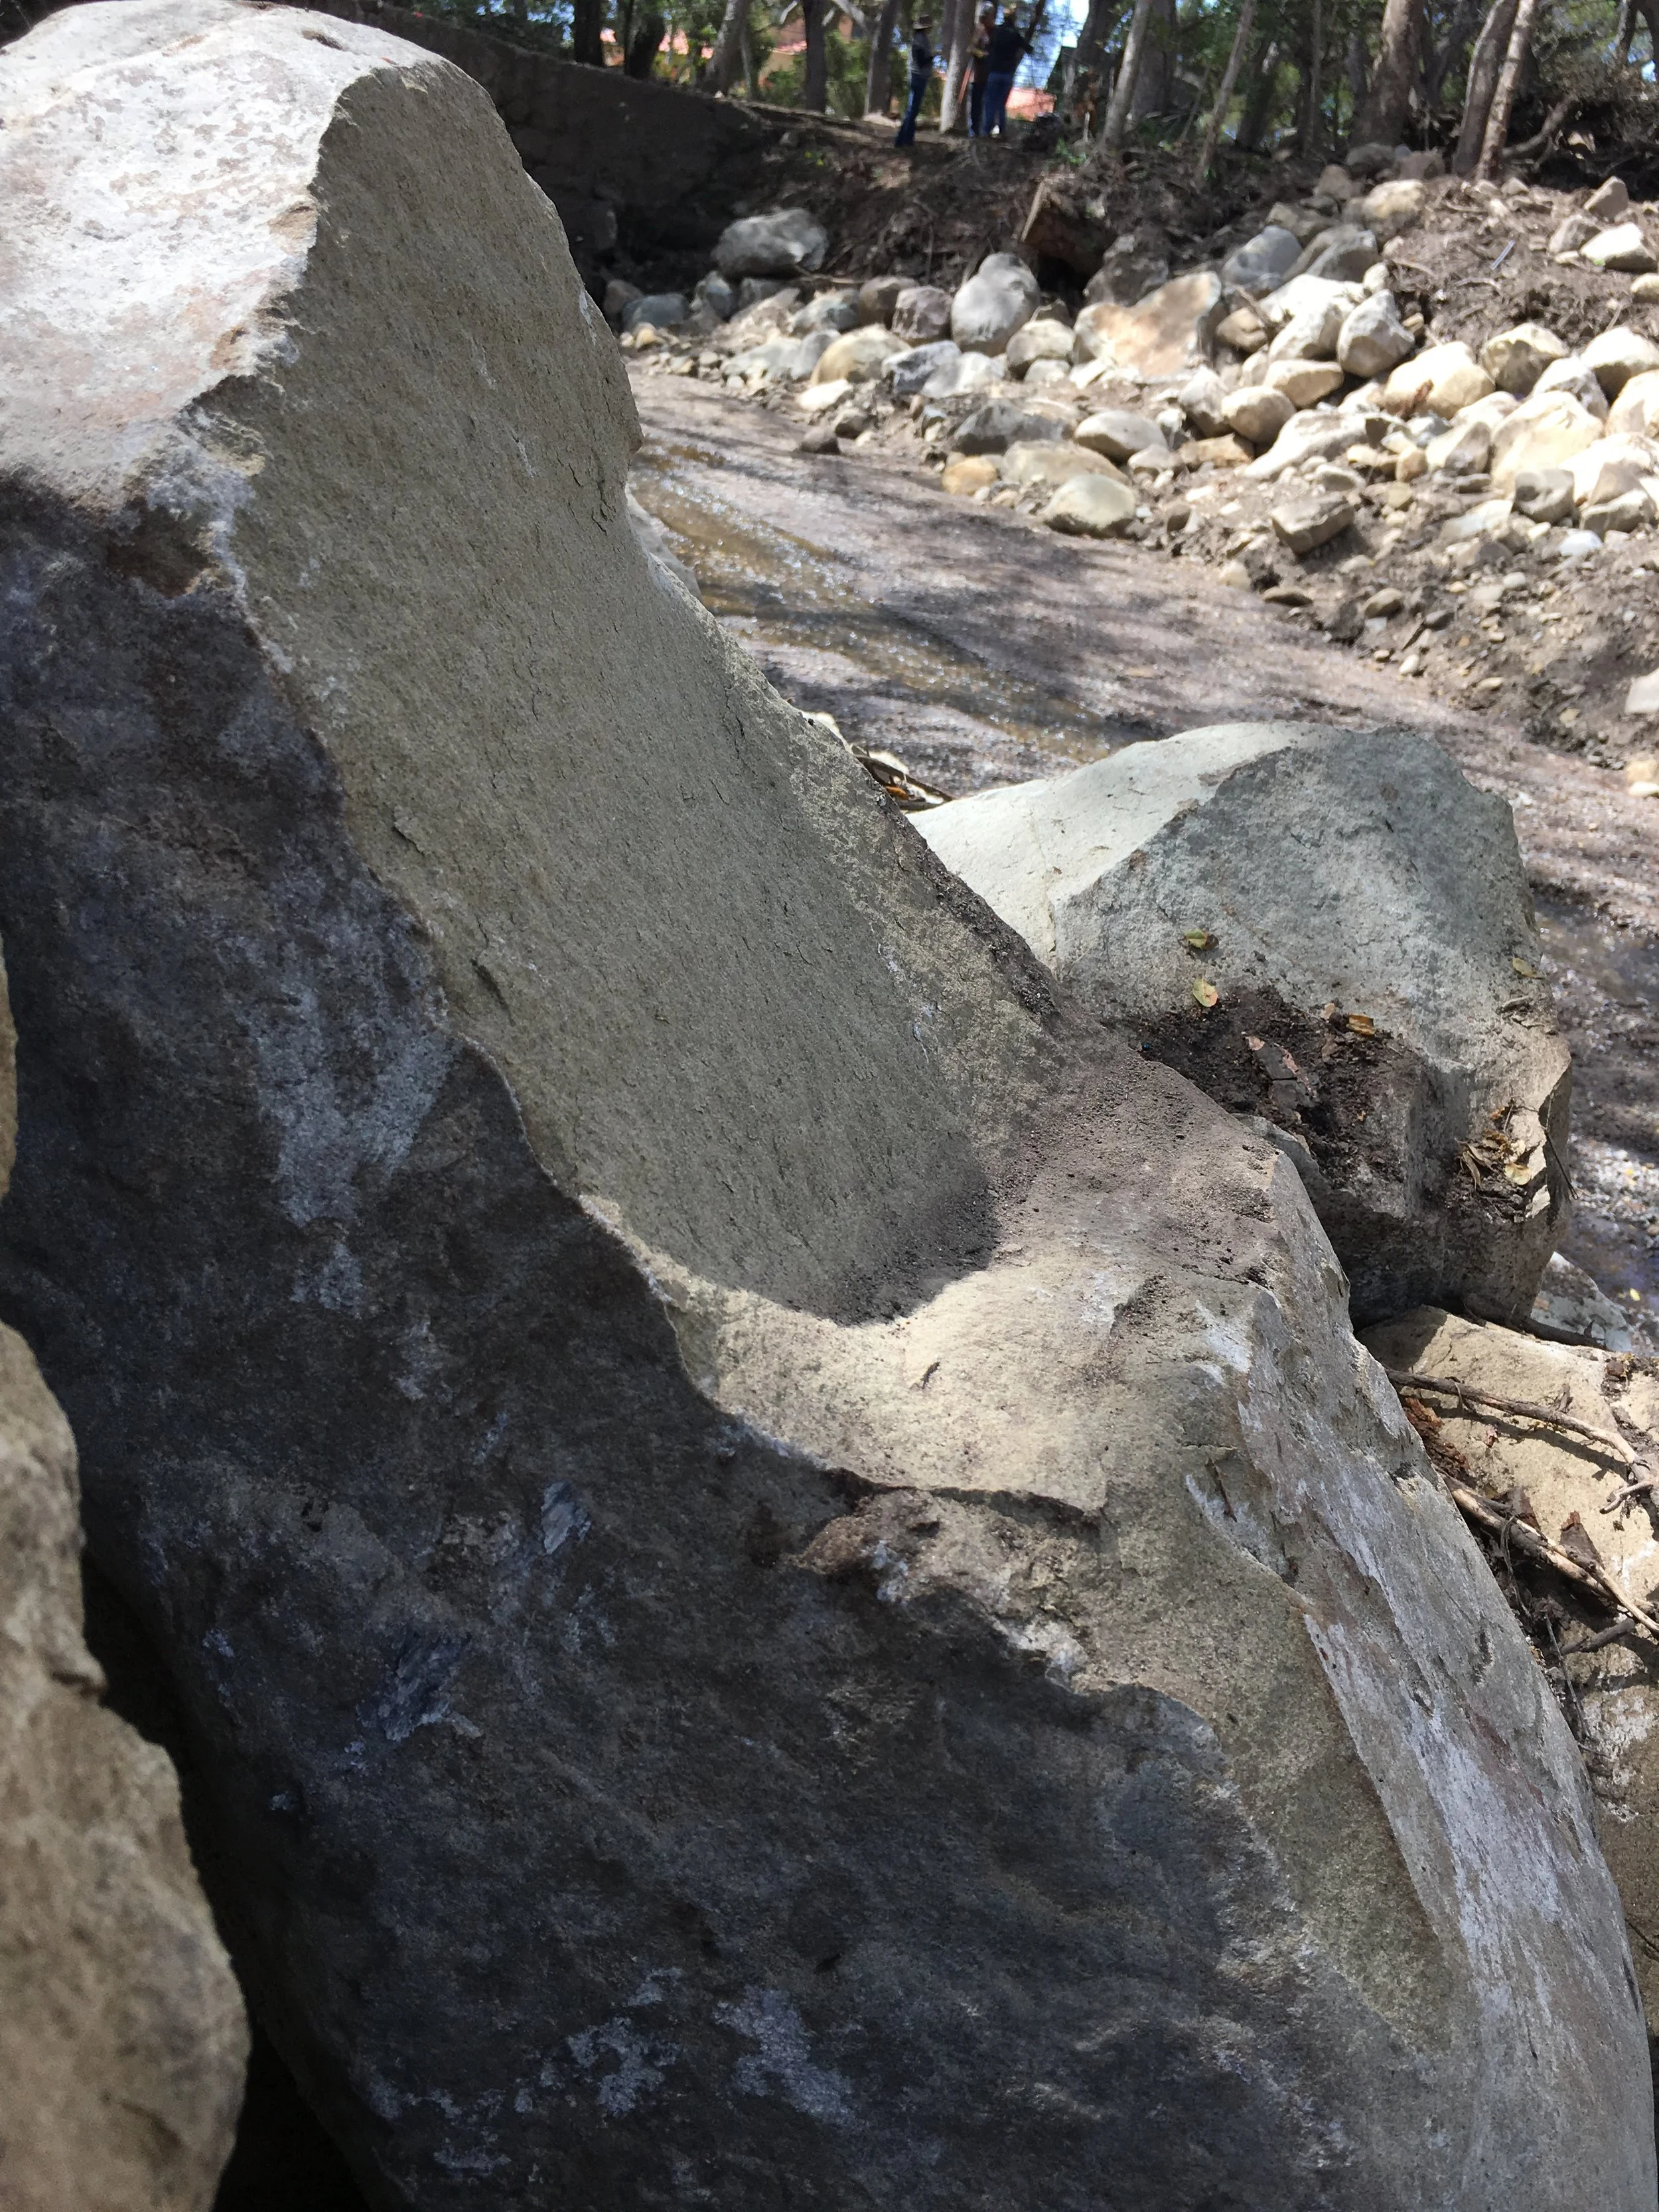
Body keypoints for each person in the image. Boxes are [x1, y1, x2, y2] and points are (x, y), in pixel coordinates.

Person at [982, 3, 1033, 137]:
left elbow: (988, 46)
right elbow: (1029, 49)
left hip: (994, 73)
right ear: (1014, 19)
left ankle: (986, 131)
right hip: (1007, 75)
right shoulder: (1016, 35)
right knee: (1001, 104)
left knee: (990, 103)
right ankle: (1002, 131)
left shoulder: (996, 32)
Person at [894, 18, 934, 147]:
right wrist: (932, 57)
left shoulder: (919, 40)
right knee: (912, 110)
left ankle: (906, 139)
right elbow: (922, 61)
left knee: (913, 110)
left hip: (918, 76)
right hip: (918, 77)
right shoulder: (920, 41)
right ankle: (903, 140)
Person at [965, 9, 994, 135]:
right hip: (977, 75)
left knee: (987, 104)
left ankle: (985, 131)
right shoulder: (979, 31)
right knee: (976, 105)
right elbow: (970, 49)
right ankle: (974, 131)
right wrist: (982, 54)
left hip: (990, 75)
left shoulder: (994, 32)